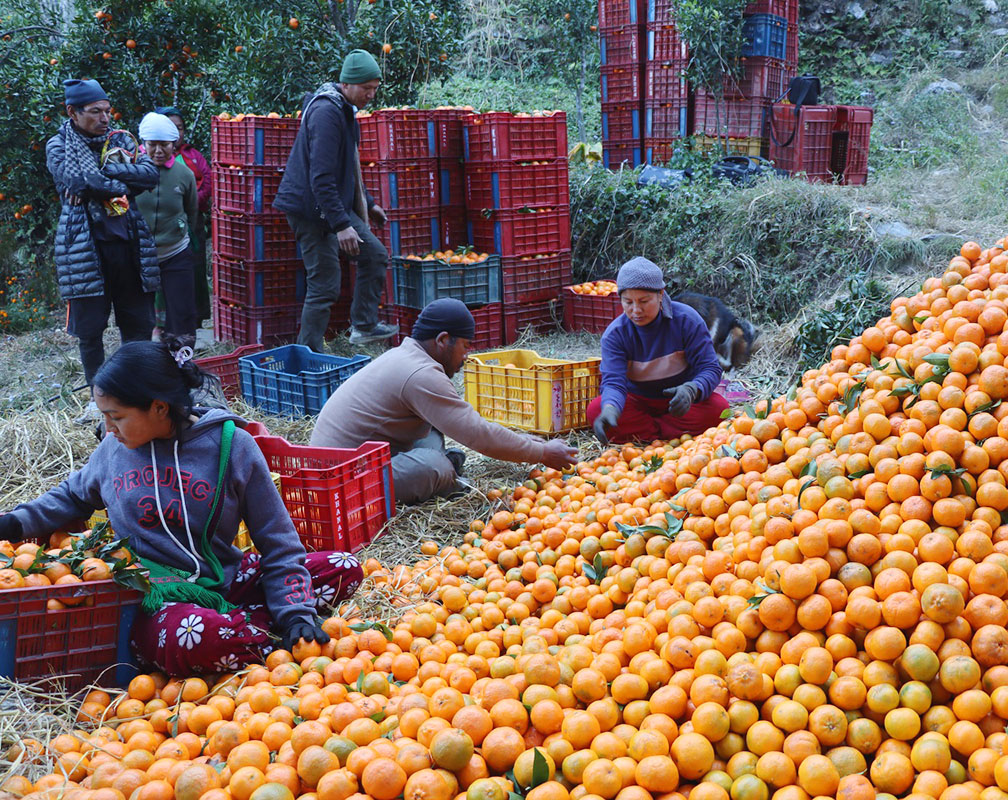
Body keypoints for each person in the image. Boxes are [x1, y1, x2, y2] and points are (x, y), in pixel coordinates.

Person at [0, 342, 362, 675]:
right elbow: (69, 497)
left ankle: (246, 623)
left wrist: (295, 613)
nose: (108, 428)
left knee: (344, 567)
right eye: (104, 416)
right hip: (154, 596)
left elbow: (277, 539)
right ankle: (246, 632)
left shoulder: (231, 446)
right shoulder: (113, 452)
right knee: (198, 636)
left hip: (225, 576)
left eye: (117, 416)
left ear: (158, 406)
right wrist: (13, 524)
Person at [310, 299, 579, 504]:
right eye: (465, 346)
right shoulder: (420, 374)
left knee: (435, 426)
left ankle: (440, 466)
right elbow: (477, 434)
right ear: (442, 340)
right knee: (436, 467)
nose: (466, 356)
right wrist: (542, 453)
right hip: (343, 478)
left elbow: (466, 423)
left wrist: (533, 443)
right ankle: (443, 469)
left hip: (374, 453)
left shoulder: (409, 356)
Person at [46, 78, 160, 420]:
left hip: (129, 245)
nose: (105, 118)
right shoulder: (59, 144)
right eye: (95, 112)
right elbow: (77, 181)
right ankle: (100, 401)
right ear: (73, 112)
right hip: (85, 250)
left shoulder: (121, 140)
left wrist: (105, 174)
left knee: (138, 325)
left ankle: (136, 391)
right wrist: (123, 183)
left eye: (107, 111)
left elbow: (150, 175)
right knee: (90, 331)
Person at [274, 50, 396, 351]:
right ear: (348, 83)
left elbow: (346, 169)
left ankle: (364, 326)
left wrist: (367, 202)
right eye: (366, 88)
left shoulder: (345, 110)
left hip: (330, 203)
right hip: (310, 207)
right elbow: (321, 177)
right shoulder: (326, 112)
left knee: (375, 255)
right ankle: (308, 353)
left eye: (375, 89)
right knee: (325, 284)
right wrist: (342, 224)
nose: (370, 95)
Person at [588, 257, 729, 444]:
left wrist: (691, 390)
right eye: (628, 302)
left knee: (719, 408)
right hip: (638, 401)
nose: (636, 310)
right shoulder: (616, 335)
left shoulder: (686, 320)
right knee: (596, 410)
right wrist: (611, 409)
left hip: (681, 401)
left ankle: (648, 434)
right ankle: (667, 433)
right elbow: (614, 383)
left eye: (644, 301)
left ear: (661, 294)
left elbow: (710, 368)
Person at [133, 112, 199, 348]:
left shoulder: (184, 175)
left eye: (164, 145)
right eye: (152, 145)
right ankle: (143, 360)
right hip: (139, 255)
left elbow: (191, 211)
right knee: (139, 314)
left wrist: (178, 232)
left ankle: (182, 360)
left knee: (182, 312)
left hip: (175, 252)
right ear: (144, 144)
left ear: (174, 145)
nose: (158, 151)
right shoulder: (131, 171)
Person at [159, 106, 212, 328]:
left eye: (179, 128)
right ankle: (163, 320)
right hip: (166, 227)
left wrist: (194, 201)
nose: (176, 133)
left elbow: (208, 181)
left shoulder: (193, 156)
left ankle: (196, 317)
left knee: (194, 269)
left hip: (193, 221)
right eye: (171, 128)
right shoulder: (151, 158)